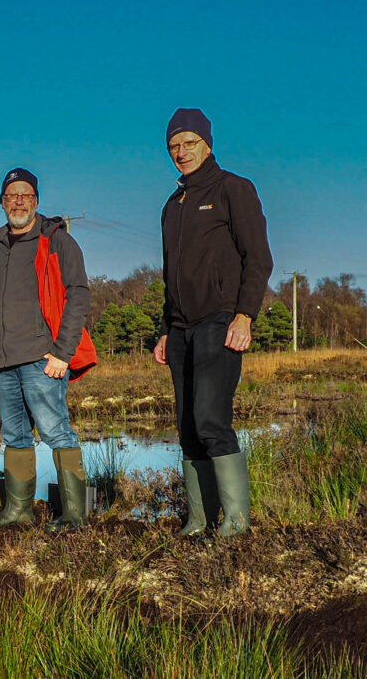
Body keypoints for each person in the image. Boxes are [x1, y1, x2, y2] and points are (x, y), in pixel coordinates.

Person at [153, 109, 273, 538]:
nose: (181, 152)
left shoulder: (233, 189)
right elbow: (171, 274)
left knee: (210, 419)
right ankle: (199, 519)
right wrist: (165, 329)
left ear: (207, 143)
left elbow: (258, 258)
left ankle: (237, 523)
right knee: (186, 425)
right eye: (173, 146)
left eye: (188, 143)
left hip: (220, 320)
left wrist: (245, 315)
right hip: (181, 328)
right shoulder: (172, 205)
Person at [0, 167, 96, 532]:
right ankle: (18, 510)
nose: (18, 201)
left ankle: (74, 514)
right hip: (1, 363)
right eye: (11, 196)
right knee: (14, 436)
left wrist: (63, 352)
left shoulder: (57, 240)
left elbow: (79, 295)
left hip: (43, 360)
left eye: (25, 195)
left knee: (57, 433)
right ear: (2, 202)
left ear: (37, 201)